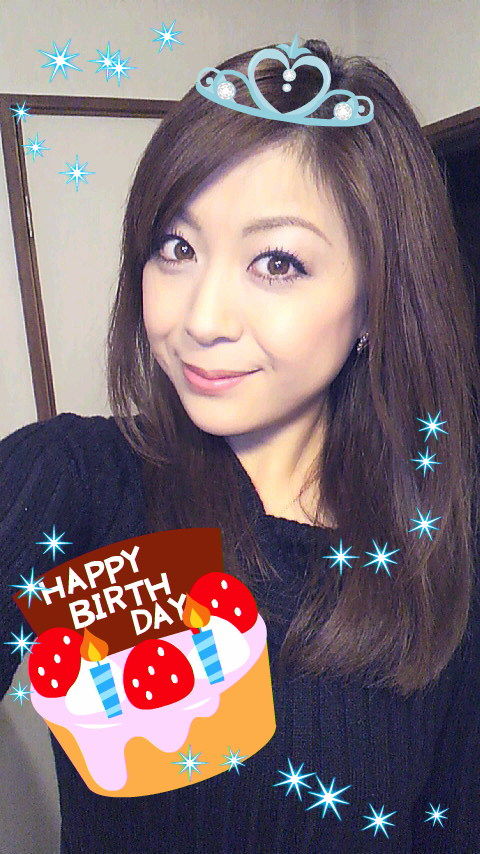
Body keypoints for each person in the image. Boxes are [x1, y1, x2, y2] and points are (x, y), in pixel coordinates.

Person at [1, 36, 479, 854]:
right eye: (177, 248)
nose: (201, 318)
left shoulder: (442, 542)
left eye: (277, 262)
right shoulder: (76, 483)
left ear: (375, 302)